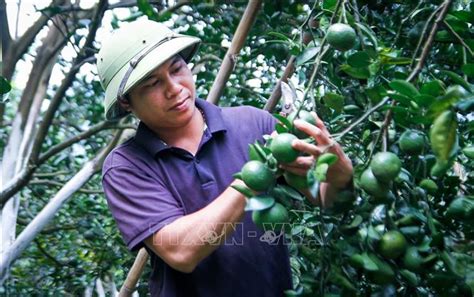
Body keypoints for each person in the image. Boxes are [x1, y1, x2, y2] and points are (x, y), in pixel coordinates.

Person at [97, 19, 353, 297]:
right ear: (126, 101)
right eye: (153, 83)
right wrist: (252, 179)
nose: (174, 88)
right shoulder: (126, 166)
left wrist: (339, 171)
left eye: (177, 69)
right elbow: (181, 250)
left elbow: (325, 198)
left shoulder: (254, 124)